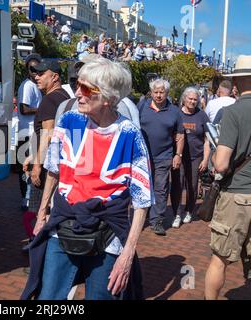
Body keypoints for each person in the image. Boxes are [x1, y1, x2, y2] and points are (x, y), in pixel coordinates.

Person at [21, 58, 154, 300]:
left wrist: (127, 253)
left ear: (108, 98)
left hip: (109, 234)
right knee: (48, 298)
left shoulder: (129, 133)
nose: (78, 94)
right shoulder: (69, 121)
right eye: (78, 86)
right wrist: (42, 215)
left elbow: (142, 199)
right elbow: (54, 169)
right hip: (64, 226)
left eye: (86, 89)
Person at [204, 55, 251, 299]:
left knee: (219, 259)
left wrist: (212, 158)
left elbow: (221, 163)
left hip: (237, 196)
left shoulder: (233, 112)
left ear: (238, 81)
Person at [24, 60, 70, 233]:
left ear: (55, 76)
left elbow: (48, 135)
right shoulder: (64, 96)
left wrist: (37, 165)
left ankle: (37, 247)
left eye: (42, 73)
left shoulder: (50, 100)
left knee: (38, 213)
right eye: (36, 73)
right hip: (58, 163)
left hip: (47, 166)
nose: (37, 77)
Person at [138, 79, 185, 236]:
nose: (158, 95)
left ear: (167, 93)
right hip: (142, 156)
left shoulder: (174, 111)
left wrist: (178, 154)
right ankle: (141, 216)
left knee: (160, 188)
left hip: (164, 156)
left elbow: (180, 135)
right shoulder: (142, 107)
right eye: (156, 92)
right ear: (151, 92)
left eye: (162, 92)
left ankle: (156, 220)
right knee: (142, 186)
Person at [170, 87, 211, 228]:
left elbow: (207, 139)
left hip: (196, 157)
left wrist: (206, 159)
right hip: (179, 156)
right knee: (177, 185)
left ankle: (188, 210)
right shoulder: (176, 113)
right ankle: (176, 213)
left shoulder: (202, 116)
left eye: (195, 99)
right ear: (184, 98)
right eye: (190, 99)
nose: (193, 101)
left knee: (192, 185)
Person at [16, 54, 42, 212]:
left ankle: (29, 198)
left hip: (32, 132)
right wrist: (43, 109)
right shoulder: (27, 86)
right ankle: (25, 199)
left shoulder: (35, 85)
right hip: (27, 132)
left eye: (37, 68)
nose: (35, 72)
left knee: (31, 166)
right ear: (27, 70)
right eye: (32, 69)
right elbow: (23, 109)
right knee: (26, 168)